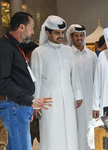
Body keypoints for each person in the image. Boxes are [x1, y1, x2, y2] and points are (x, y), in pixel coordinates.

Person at [0, 12, 53, 150]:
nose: (33, 32)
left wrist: (27, 105)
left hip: (19, 106)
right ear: (22, 27)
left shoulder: (16, 46)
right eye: (32, 27)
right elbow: (3, 81)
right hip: (14, 106)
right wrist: (28, 102)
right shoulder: (4, 47)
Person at [31, 15, 83, 150]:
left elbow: (74, 75)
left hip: (68, 98)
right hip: (48, 101)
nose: (61, 36)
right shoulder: (39, 52)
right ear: (47, 32)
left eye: (62, 33)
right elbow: (35, 79)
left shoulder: (68, 50)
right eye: (57, 33)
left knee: (70, 130)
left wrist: (78, 94)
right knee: (51, 133)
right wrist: (35, 103)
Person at [66, 24, 97, 150]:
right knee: (75, 128)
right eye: (76, 35)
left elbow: (96, 79)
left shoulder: (92, 55)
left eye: (81, 35)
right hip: (73, 100)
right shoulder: (67, 55)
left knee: (89, 128)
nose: (79, 38)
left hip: (90, 100)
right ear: (71, 37)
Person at [23, 42, 40, 146]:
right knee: (29, 137)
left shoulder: (35, 65)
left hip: (38, 106)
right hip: (29, 105)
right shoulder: (24, 66)